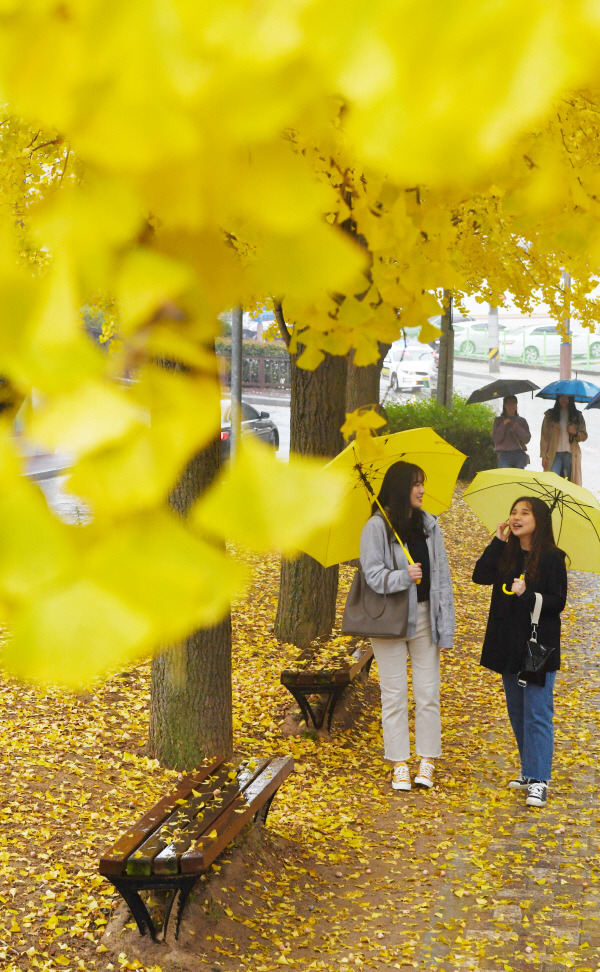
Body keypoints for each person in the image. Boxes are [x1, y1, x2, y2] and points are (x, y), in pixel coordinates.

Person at [360, 461, 455, 792]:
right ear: (401, 487)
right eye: (416, 483)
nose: (422, 489)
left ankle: (427, 759)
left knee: (428, 692)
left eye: (423, 483)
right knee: (394, 694)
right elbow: (371, 574)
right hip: (389, 621)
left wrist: (446, 625)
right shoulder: (377, 526)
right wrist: (403, 576)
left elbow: (442, 577)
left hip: (425, 617)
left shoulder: (429, 525)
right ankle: (399, 762)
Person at [472, 496, 567, 808]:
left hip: (537, 646)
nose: (516, 517)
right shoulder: (508, 553)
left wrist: (530, 594)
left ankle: (539, 779)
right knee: (517, 710)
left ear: (539, 520)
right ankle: (529, 771)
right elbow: (480, 576)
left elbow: (558, 603)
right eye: (513, 511)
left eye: (524, 513)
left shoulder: (553, 558)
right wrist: (498, 542)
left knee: (538, 711)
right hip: (508, 644)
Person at [540, 394, 587, 484]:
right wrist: (543, 456)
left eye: (567, 397)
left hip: (570, 454)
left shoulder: (577, 416)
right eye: (561, 397)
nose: (564, 399)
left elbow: (584, 436)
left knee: (569, 481)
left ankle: (566, 498)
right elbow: (544, 436)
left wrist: (575, 432)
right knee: (552, 481)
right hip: (554, 454)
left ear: (571, 399)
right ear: (558, 399)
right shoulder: (550, 415)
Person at [492, 396, 531, 469]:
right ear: (504, 406)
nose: (511, 406)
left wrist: (517, 429)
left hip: (519, 453)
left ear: (516, 405)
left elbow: (526, 439)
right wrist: (503, 425)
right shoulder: (498, 420)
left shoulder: (522, 421)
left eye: (513, 403)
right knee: (505, 478)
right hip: (504, 454)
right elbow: (496, 438)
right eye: (508, 404)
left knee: (518, 478)